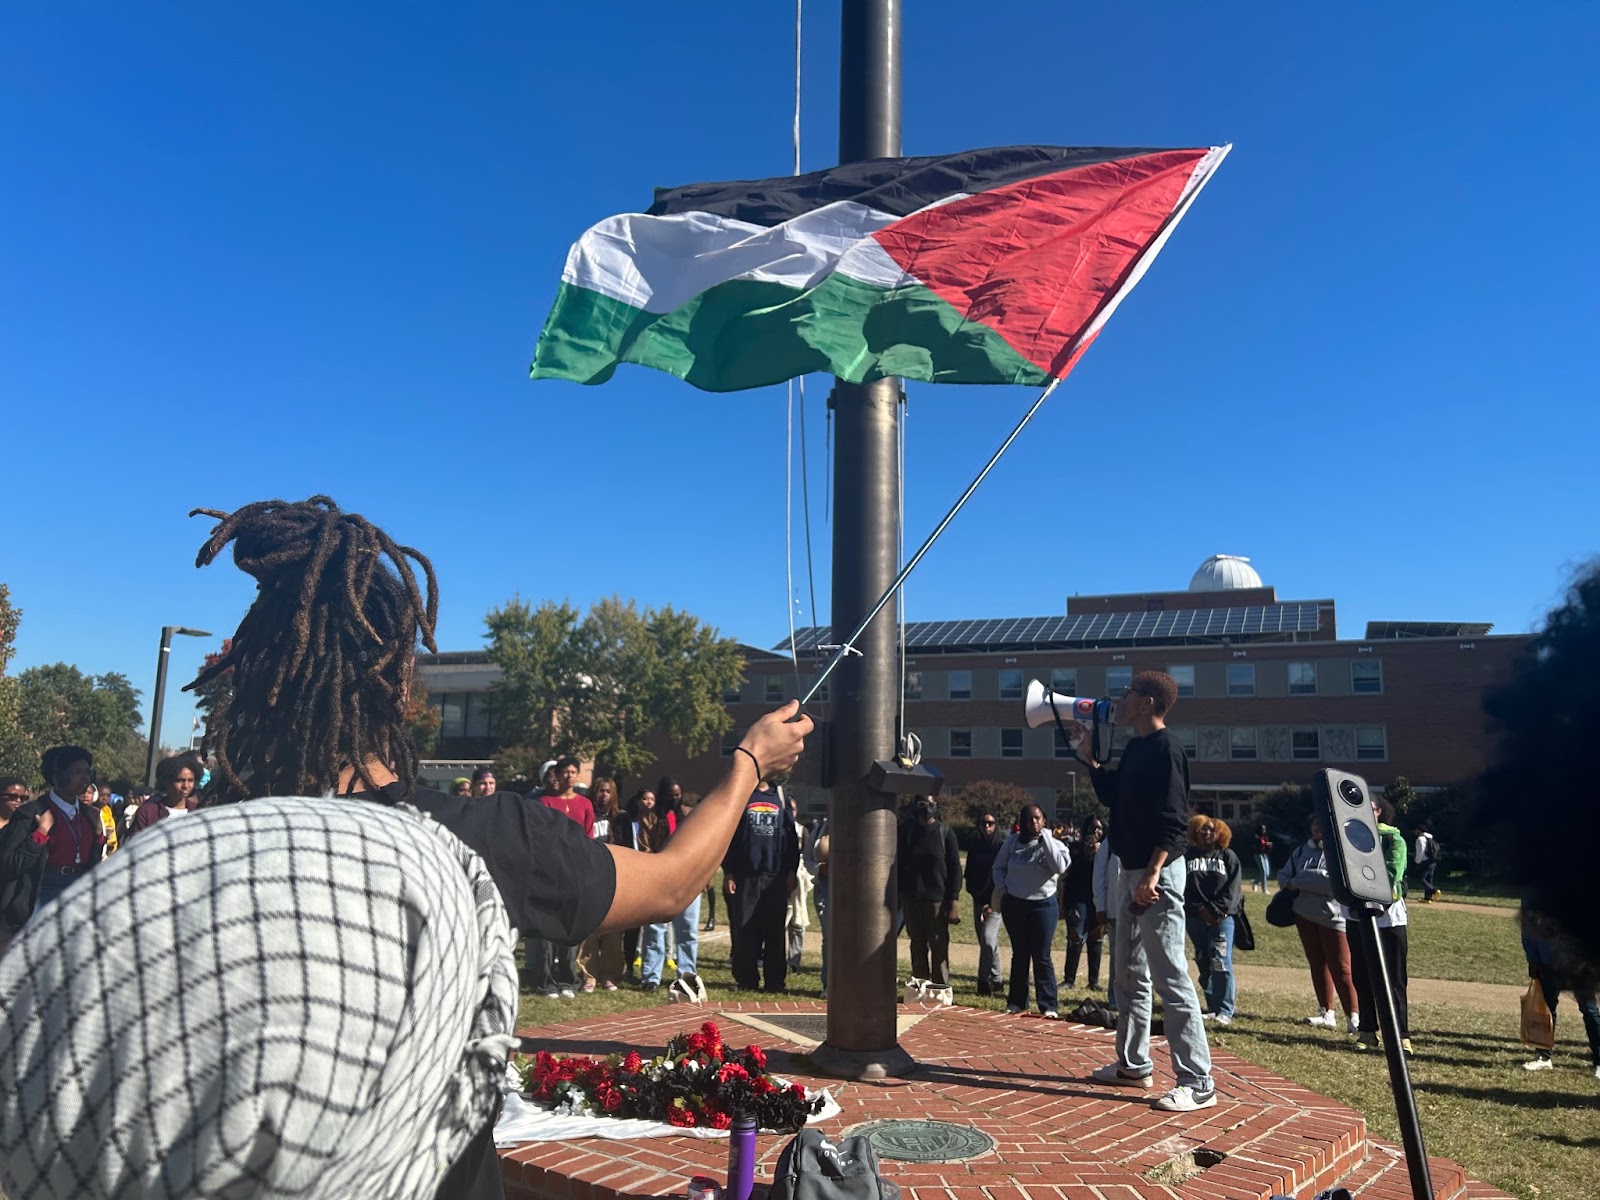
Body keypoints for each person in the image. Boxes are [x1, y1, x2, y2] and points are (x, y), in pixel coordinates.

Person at [0, 496, 810, 1200]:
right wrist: (749, 762)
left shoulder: (189, 857)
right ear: (397, 685)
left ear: (251, 686)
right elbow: (671, 884)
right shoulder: (478, 836)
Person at [1077, 670, 1216, 1113]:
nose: (1121, 699)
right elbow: (1114, 797)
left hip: (1157, 876)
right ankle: (1133, 1064)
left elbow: (1174, 821)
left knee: (1170, 975)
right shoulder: (1136, 747)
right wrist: (1090, 759)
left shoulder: (1167, 749)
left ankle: (1198, 1080)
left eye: (1129, 693)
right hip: (1132, 871)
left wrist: (1152, 874)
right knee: (1129, 974)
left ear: (1148, 702)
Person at [1279, 815, 1359, 1034]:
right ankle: (1326, 1012)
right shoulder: (1300, 851)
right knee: (1317, 964)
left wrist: (1300, 880)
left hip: (1334, 918)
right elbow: (1283, 878)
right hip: (1304, 915)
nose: (1318, 829)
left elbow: (1334, 884)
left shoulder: (1341, 852)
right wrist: (1307, 879)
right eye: (1315, 824)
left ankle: (1354, 1017)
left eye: (1323, 825)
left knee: (1342, 968)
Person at [989, 804, 1070, 1018]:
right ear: (1022, 822)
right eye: (1029, 819)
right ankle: (1017, 1002)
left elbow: (1060, 867)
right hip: (1015, 904)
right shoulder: (1012, 842)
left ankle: (1048, 1005)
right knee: (1020, 954)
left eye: (1038, 818)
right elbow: (998, 867)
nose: (1034, 822)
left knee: (1042, 955)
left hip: (1043, 905)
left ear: (1044, 820)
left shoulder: (1055, 844)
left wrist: (1047, 839)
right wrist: (1004, 888)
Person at [527, 757, 596, 999]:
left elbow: (589, 838)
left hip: (574, 872)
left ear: (577, 775)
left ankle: (568, 979)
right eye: (564, 772)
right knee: (547, 929)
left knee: (569, 927)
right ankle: (545, 981)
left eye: (573, 772)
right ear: (557, 775)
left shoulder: (585, 804)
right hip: (548, 871)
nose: (569, 776)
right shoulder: (545, 802)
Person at [723, 777, 798, 993]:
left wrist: (792, 870)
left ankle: (775, 982)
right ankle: (746, 980)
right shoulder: (742, 794)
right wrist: (729, 872)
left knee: (775, 931)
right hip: (746, 875)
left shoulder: (780, 796)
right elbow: (729, 836)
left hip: (775, 876)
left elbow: (791, 838)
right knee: (745, 929)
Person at [1350, 796, 1411, 1054]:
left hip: (1389, 918)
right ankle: (1367, 1031)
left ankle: (1400, 1036)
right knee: (1362, 975)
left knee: (1394, 980)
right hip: (1356, 916)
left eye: (1371, 808)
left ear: (1379, 812)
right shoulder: (1348, 838)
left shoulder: (1393, 839)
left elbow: (1391, 872)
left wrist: (1364, 888)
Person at [1519, 894, 1600, 1077]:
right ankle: (1544, 1056)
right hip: (1546, 959)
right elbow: (1528, 925)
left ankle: (1599, 1060)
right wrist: (1532, 958)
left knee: (1589, 1009)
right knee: (1546, 1008)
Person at [898, 796, 961, 990]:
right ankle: (921, 988)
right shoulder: (907, 832)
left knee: (938, 946)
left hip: (937, 900)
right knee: (917, 945)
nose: (927, 808)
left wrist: (953, 901)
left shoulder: (945, 832)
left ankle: (939, 989)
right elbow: (899, 864)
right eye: (922, 805)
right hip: (912, 898)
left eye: (931, 804)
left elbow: (955, 869)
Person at [1184, 816, 1242, 1026]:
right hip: (1195, 917)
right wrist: (1199, 909)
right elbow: (1183, 886)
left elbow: (1233, 889)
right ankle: (1213, 1006)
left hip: (1221, 919)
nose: (1207, 833)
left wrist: (1216, 911)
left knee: (1220, 960)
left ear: (1220, 833)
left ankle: (1225, 1010)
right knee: (1204, 960)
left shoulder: (1227, 856)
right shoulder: (1188, 856)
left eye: (1211, 830)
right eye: (1203, 829)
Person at [578, 778, 624, 992]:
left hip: (615, 876)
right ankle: (589, 975)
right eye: (600, 791)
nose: (604, 795)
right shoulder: (587, 815)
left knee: (613, 929)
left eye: (607, 791)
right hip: (590, 876)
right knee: (590, 930)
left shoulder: (620, 818)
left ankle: (610, 974)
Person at [964, 809, 1006, 996]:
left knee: (988, 938)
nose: (987, 827)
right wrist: (978, 900)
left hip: (995, 902)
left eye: (991, 823)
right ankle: (997, 979)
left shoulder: (1001, 846)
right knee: (987, 941)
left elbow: (1002, 877)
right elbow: (969, 874)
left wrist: (991, 903)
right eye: (984, 823)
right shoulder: (975, 846)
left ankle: (983, 981)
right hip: (978, 900)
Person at [1061, 817, 1105, 992]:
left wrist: (1099, 855)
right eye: (1092, 828)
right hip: (1078, 897)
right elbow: (1068, 873)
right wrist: (1085, 854)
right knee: (1076, 936)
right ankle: (1069, 979)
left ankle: (1093, 981)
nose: (1096, 832)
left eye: (1099, 829)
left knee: (1096, 937)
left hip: (1098, 898)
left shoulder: (1107, 850)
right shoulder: (1075, 848)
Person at [0, 776, 43, 953]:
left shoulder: (26, 825)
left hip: (12, 897)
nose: (18, 801)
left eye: (23, 798)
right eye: (12, 796)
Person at [125, 754, 200, 843]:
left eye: (190, 780)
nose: (186, 786)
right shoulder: (148, 812)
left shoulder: (198, 810)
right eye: (179, 780)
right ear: (167, 782)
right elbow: (135, 843)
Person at [1413, 824, 1441, 902]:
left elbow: (1420, 852)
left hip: (1425, 861)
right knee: (1429, 879)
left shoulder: (1420, 839)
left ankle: (1434, 890)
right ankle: (1428, 898)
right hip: (1433, 860)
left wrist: (1417, 861)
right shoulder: (1430, 838)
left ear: (1419, 831)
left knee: (1419, 878)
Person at [1253, 824, 1273, 893]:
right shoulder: (1256, 836)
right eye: (1262, 829)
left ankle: (1255, 882)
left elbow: (1266, 843)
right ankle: (1264, 889)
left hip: (1264, 854)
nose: (1263, 831)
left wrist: (1269, 845)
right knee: (1263, 871)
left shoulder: (1265, 837)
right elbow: (1259, 844)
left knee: (1267, 873)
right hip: (1258, 855)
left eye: (1264, 829)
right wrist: (1266, 844)